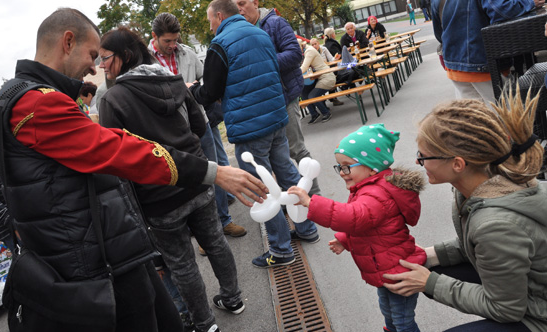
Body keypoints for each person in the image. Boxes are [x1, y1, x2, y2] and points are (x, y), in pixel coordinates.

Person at [0, 8, 266, 332]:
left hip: (98, 249)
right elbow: (118, 150)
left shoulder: (18, 97)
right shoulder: (38, 104)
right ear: (68, 42)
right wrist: (214, 172)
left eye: (102, 58)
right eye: (93, 54)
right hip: (93, 261)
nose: (94, 66)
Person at [98, 26, 246, 332]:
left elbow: (118, 160)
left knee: (182, 263)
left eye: (105, 58)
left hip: (158, 197)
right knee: (216, 242)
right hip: (197, 178)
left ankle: (204, 323)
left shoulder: (113, 100)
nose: (101, 66)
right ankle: (233, 298)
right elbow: (200, 126)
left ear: (124, 57)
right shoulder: (172, 78)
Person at [382, 91, 547, 332]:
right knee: (428, 267)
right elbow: (482, 247)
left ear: (458, 164)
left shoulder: (494, 224)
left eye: (423, 156)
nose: (419, 162)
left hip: (538, 314)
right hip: (531, 286)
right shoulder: (486, 182)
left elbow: (507, 309)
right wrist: (430, 255)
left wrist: (430, 283)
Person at [190, 0, 320, 268]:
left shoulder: (220, 44)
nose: (210, 26)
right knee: (286, 172)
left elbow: (210, 92)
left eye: (210, 20)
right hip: (275, 117)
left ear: (218, 15)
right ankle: (306, 227)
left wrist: (192, 90)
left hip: (250, 127)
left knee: (261, 187)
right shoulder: (260, 33)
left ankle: (281, 249)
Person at [288, 124, 426, 332]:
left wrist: (311, 203)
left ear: (371, 167)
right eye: (339, 167)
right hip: (387, 270)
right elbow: (368, 224)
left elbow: (354, 217)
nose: (342, 173)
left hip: (398, 271)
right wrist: (345, 239)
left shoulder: (376, 194)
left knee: (402, 322)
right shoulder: (367, 189)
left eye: (347, 166)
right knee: (390, 314)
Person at [148, 12, 246, 238]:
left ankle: (224, 221)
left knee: (215, 170)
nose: (173, 45)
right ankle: (204, 233)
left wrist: (197, 87)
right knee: (189, 180)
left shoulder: (189, 54)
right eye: (167, 41)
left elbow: (205, 81)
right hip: (168, 130)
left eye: (176, 39)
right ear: (154, 36)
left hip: (199, 122)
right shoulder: (144, 61)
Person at [234, 0, 326, 194]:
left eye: (242, 3)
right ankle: (289, 198)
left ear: (255, 3)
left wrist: (263, 63)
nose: (239, 9)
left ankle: (316, 197)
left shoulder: (275, 23)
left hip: (285, 97)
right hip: (262, 104)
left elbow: (295, 55)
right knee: (277, 155)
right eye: (235, 6)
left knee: (296, 149)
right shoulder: (239, 31)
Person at [431, 0, 540, 104]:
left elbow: (439, 33)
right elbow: (501, 10)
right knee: (504, 118)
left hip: (454, 65)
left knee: (472, 120)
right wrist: (529, 2)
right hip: (483, 64)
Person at [299, 39, 335, 124]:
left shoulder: (309, 51)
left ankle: (326, 113)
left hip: (327, 77)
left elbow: (303, 68)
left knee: (312, 96)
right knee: (303, 93)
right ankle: (314, 114)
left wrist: (292, 75)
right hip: (318, 78)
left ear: (301, 46)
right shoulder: (304, 52)